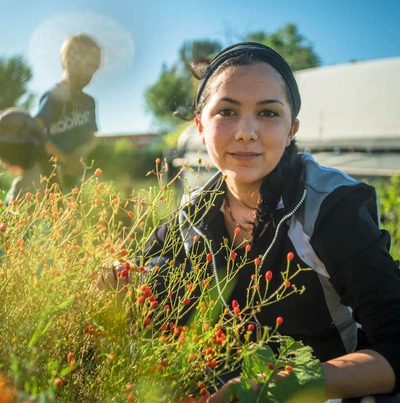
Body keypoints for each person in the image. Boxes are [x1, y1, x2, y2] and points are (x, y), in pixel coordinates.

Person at [100, 42, 400, 402]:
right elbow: (144, 291)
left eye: (268, 114)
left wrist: (286, 386)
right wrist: (120, 287)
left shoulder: (329, 208)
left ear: (292, 128)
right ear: (200, 125)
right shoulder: (192, 215)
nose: (246, 131)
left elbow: (394, 344)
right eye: (226, 111)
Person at [34, 33, 101, 191]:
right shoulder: (53, 97)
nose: (88, 75)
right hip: (51, 174)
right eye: (85, 67)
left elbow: (92, 139)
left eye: (93, 69)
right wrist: (65, 159)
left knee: (76, 212)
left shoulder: (89, 102)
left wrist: (81, 151)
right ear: (66, 62)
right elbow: (35, 131)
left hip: (77, 175)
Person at [0, 108, 51, 205]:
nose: (1, 162)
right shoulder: (52, 178)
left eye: (2, 155)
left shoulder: (21, 186)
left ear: (15, 151)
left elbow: (15, 220)